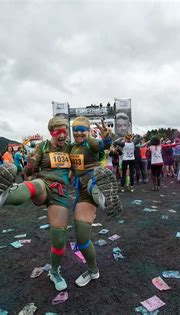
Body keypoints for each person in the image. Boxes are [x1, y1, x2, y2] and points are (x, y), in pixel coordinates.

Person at [0, 116, 73, 292]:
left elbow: (93, 151)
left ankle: (54, 271)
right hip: (44, 184)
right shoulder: (42, 147)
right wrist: (29, 165)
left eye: (64, 131)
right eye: (57, 131)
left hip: (61, 194)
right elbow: (28, 171)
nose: (62, 135)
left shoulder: (70, 147)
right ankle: (2, 196)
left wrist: (105, 140)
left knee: (59, 239)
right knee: (35, 185)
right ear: (51, 132)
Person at [69, 116, 122, 288]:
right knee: (82, 237)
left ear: (88, 131)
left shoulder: (89, 142)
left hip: (93, 180)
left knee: (95, 185)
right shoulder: (73, 148)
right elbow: (72, 167)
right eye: (75, 130)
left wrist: (106, 138)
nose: (78, 133)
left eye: (82, 130)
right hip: (81, 193)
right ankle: (93, 271)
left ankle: (106, 199)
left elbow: (101, 145)